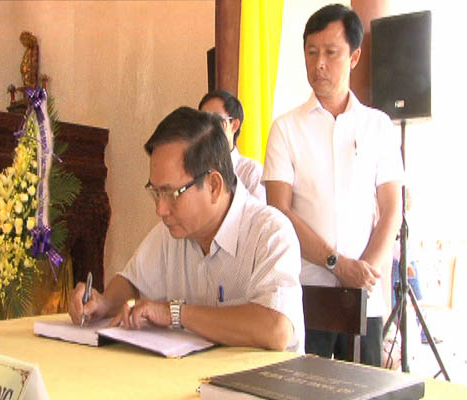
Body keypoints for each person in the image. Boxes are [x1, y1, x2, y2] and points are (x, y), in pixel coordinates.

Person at [68, 107, 304, 351]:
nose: (160, 209)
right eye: (156, 192)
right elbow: (133, 282)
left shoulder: (270, 233)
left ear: (213, 185)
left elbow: (276, 329)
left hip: (258, 376)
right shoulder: (171, 234)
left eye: (172, 194)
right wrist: (104, 303)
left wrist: (175, 313)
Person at [262, 4, 403, 366]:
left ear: (354, 57)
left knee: (365, 385)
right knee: (305, 384)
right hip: (306, 293)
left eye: (330, 52)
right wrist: (337, 265)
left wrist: (364, 272)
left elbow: (391, 209)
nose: (319, 64)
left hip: (365, 297)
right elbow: (279, 210)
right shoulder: (286, 128)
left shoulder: (378, 126)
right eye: (311, 52)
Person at [199, 90, 266, 201]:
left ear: (234, 125)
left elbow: (259, 210)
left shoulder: (251, 172)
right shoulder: (193, 169)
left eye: (216, 121)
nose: (208, 128)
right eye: (203, 121)